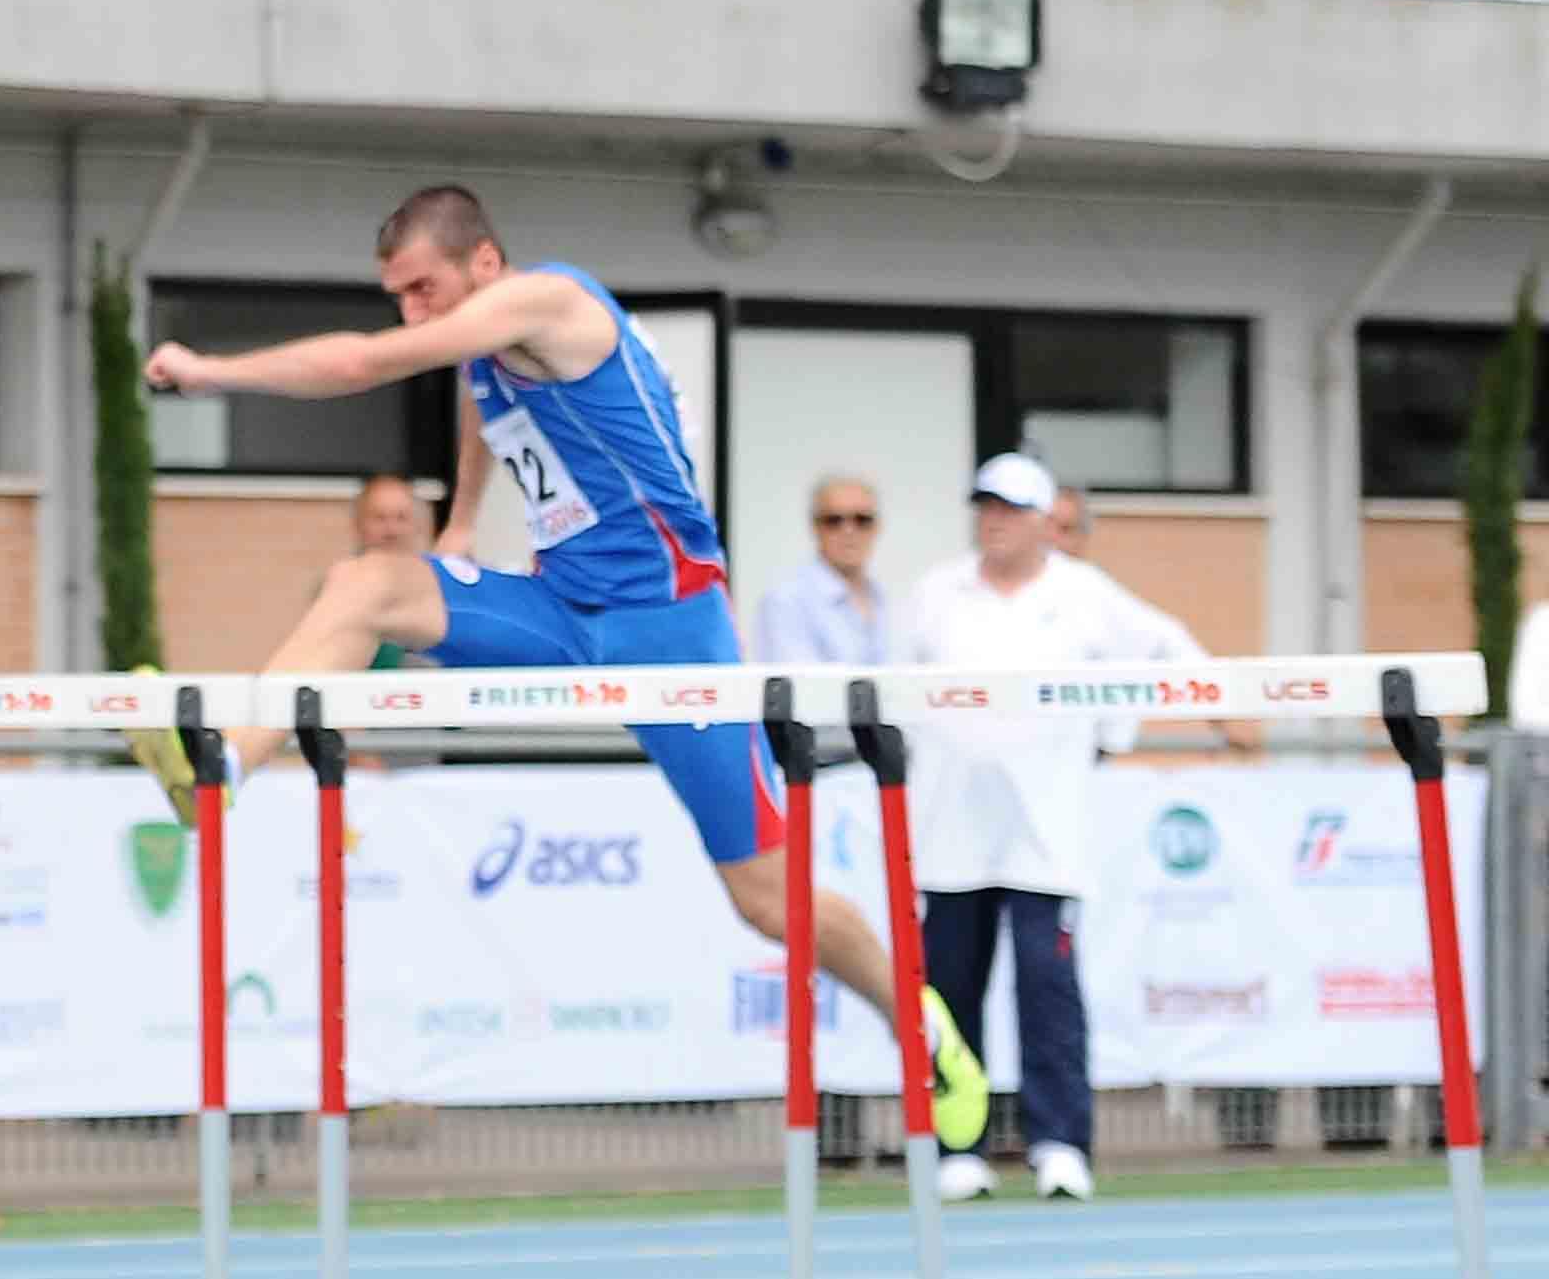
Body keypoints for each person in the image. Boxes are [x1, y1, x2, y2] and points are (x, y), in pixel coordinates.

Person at [142, 182, 994, 1151]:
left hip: (668, 627)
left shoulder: (550, 301)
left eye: (423, 289)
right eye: (398, 296)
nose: (412, 313)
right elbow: (482, 410)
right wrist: (461, 524)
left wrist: (210, 372)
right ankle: (221, 767)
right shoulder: (487, 342)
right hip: (558, 609)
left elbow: (363, 363)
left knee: (765, 896)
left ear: (484, 263)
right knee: (365, 585)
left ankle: (917, 1022)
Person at [893, 453, 1213, 1207]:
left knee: (1048, 988)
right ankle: (956, 1148)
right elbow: (886, 687)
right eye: (985, 507)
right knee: (949, 994)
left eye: (1010, 509)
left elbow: (1168, 648)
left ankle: (1061, 1145)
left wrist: (1121, 730)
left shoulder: (1084, 594)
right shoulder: (935, 592)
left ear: (1045, 521)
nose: (994, 521)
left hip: (1048, 838)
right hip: (947, 834)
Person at [751, 472, 890, 675]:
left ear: (877, 526)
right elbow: (800, 686)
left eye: (862, 520)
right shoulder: (785, 602)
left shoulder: (881, 597)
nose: (849, 530)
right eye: (834, 520)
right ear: (815, 527)